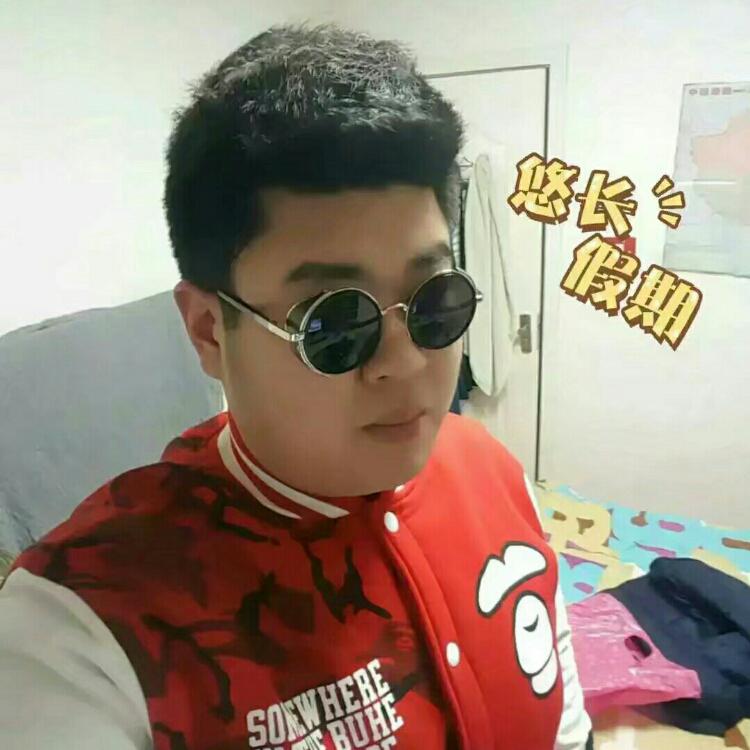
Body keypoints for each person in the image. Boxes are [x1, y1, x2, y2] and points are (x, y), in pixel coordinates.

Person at [0, 21, 592, 749]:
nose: (406, 364)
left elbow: (565, 722)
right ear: (210, 332)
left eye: (436, 301)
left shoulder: (495, 474)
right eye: (335, 322)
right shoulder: (81, 632)